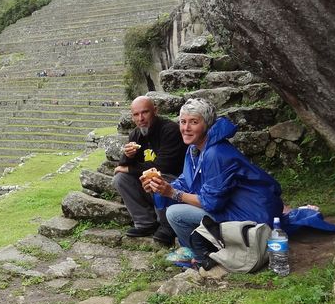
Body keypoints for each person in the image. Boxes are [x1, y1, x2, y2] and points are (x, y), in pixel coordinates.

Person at [143, 98, 284, 264]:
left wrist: (172, 193)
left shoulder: (216, 153)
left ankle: (202, 255)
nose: (186, 128)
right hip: (234, 208)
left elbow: (211, 203)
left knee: (175, 213)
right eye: (183, 122)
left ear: (207, 125)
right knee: (175, 203)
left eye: (193, 122)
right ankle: (209, 247)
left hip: (251, 215)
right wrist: (159, 187)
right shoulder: (194, 149)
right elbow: (185, 183)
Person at [112, 95, 187, 244]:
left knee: (156, 177)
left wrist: (128, 168)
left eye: (145, 112)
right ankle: (145, 223)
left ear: (155, 111)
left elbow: (163, 166)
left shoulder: (169, 130)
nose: (141, 118)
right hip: (149, 185)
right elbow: (123, 166)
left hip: (175, 183)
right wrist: (127, 156)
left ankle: (167, 225)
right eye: (136, 114)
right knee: (120, 179)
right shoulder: (136, 134)